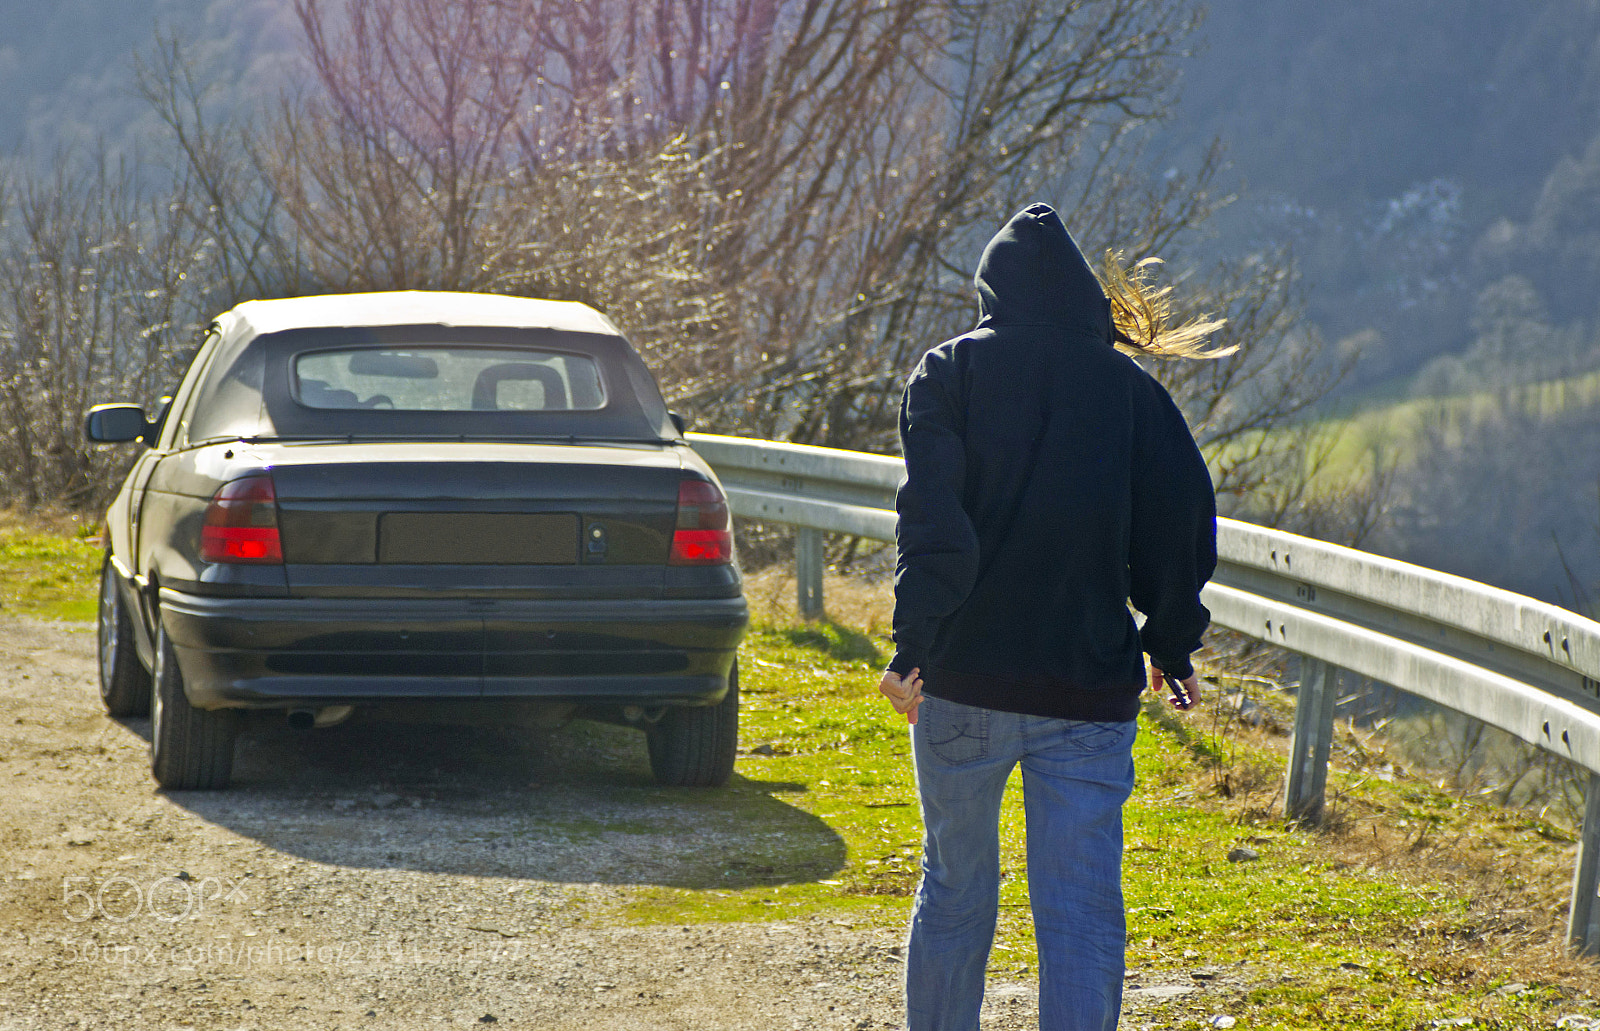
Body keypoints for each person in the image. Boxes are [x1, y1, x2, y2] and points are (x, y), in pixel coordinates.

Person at [877, 202, 1228, 1031]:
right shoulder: (1133, 395)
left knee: (956, 893)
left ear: (990, 290)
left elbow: (934, 528)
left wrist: (911, 647)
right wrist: (1170, 644)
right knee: (1078, 915)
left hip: (962, 683)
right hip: (1086, 694)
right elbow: (1181, 525)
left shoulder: (947, 372)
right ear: (1083, 297)